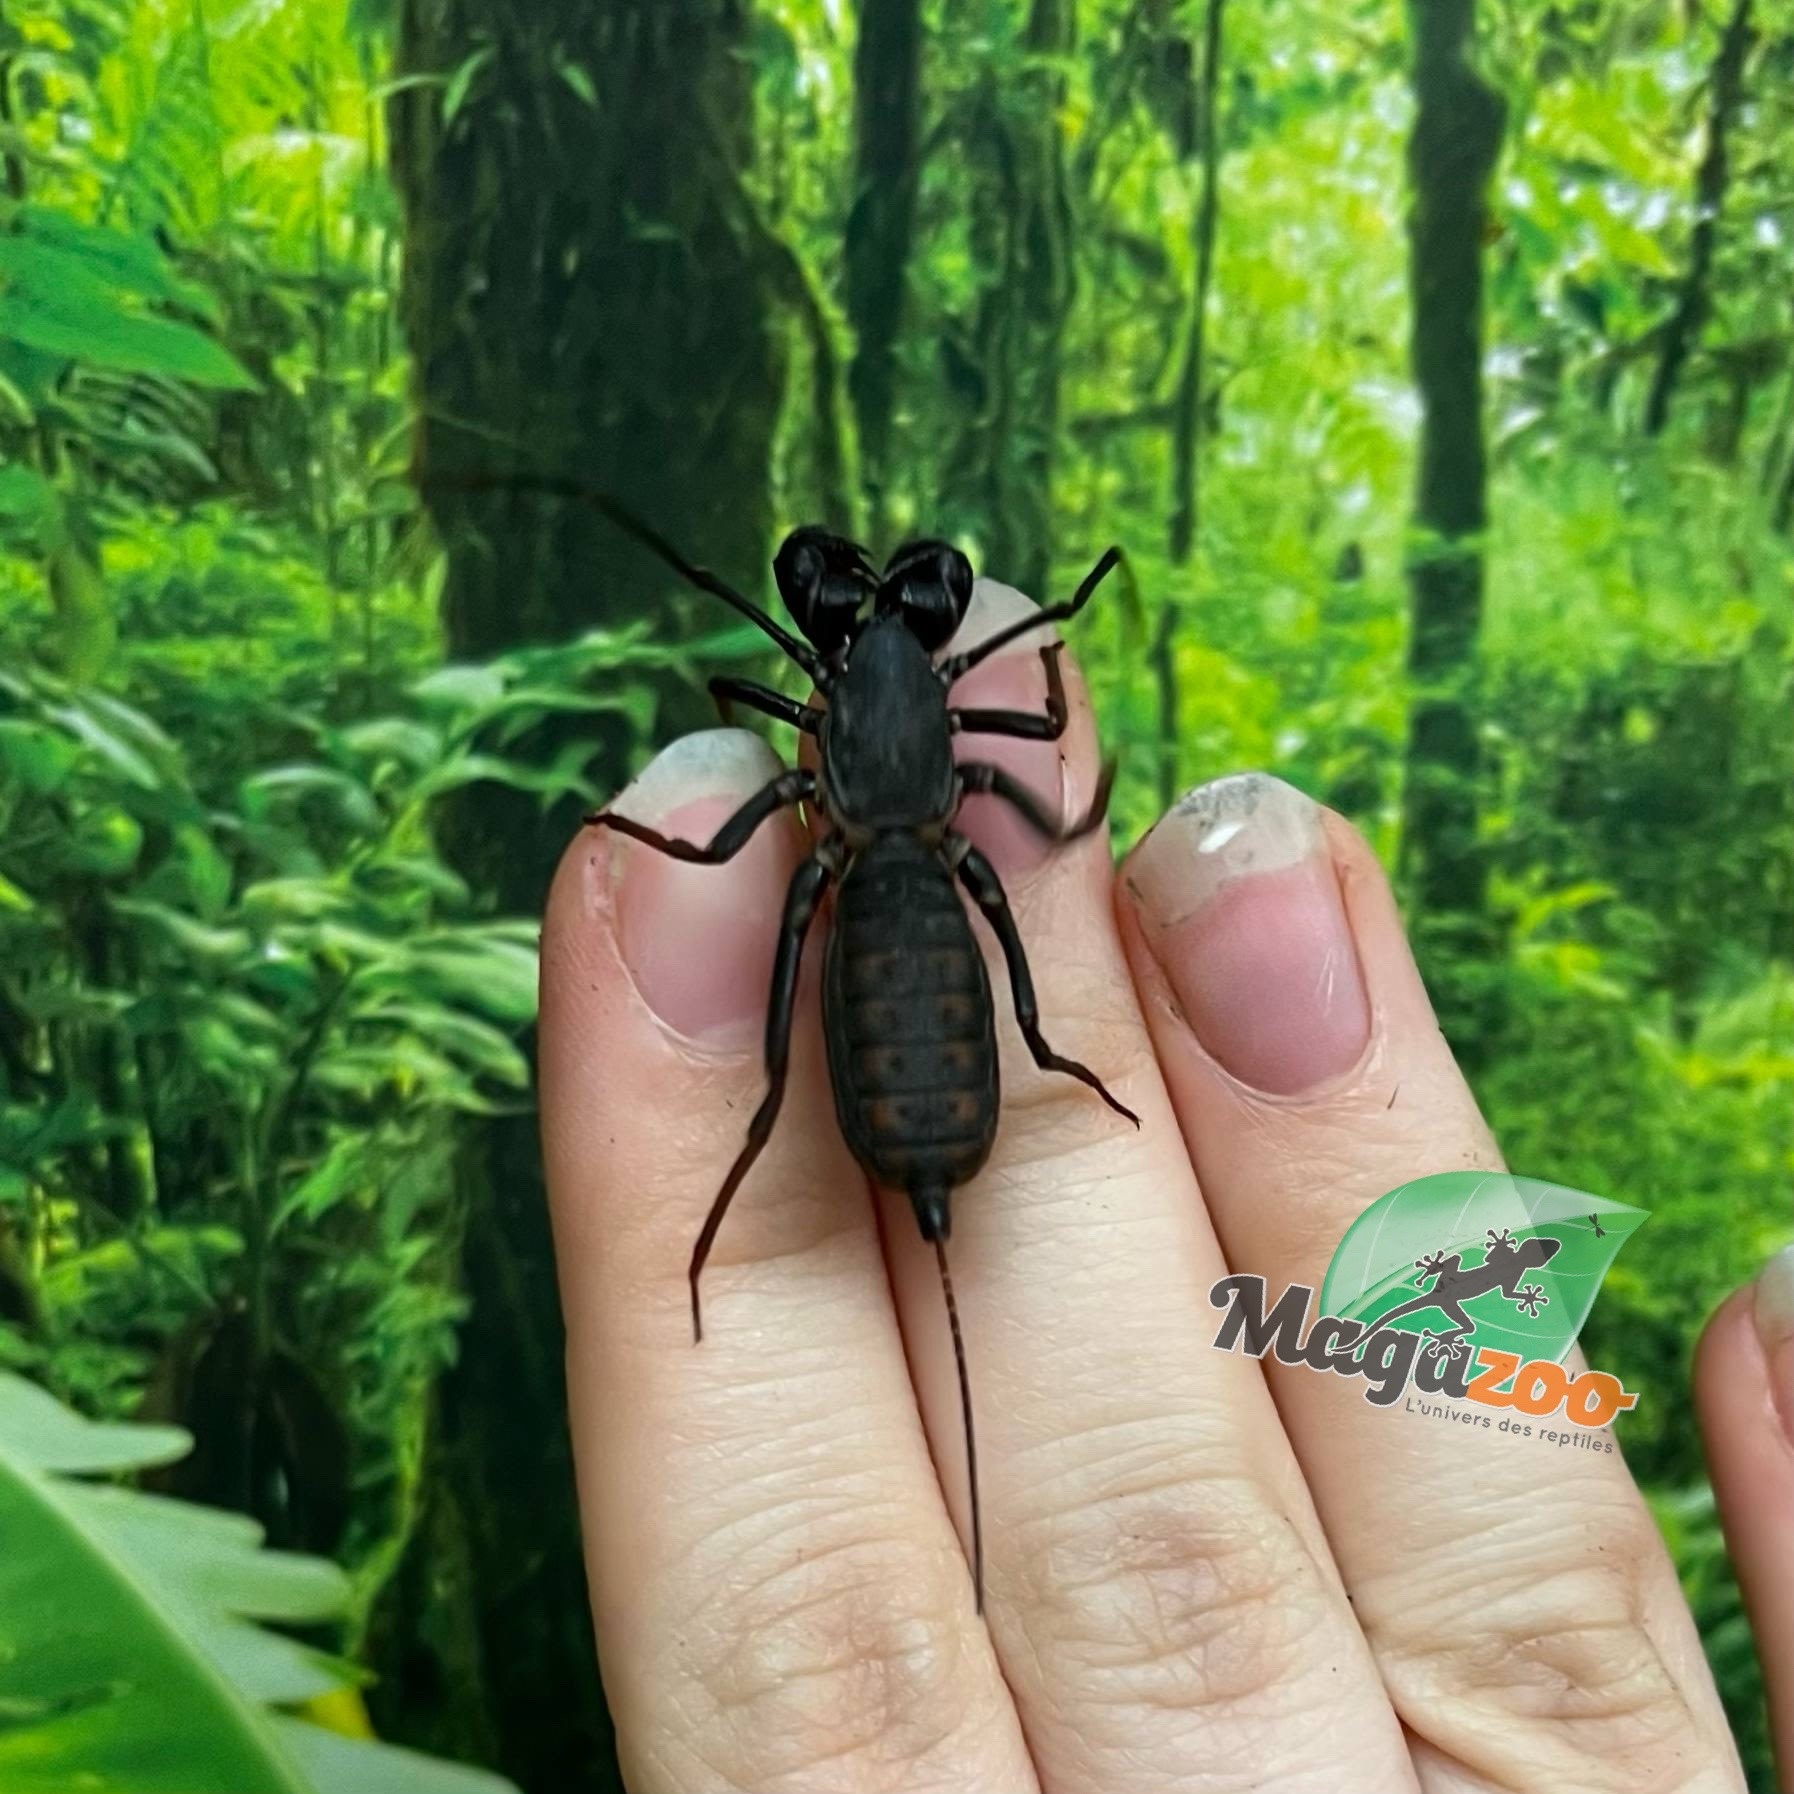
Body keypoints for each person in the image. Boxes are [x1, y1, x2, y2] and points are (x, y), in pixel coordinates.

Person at [537, 579, 1792, 1794]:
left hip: (883, 913)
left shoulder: (836, 737)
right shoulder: (962, 735)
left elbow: (745, 693)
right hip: (916, 916)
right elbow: (1036, 773)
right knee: (903, 1068)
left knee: (798, 1094)